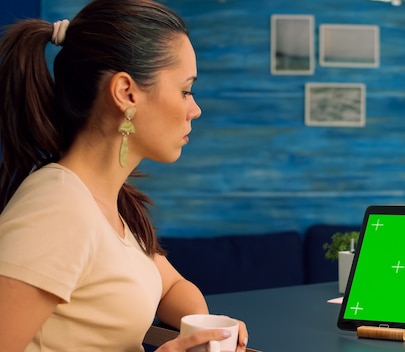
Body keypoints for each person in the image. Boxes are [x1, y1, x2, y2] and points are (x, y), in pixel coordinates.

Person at [0, 0, 248, 351]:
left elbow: (172, 287)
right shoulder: (57, 209)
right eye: (185, 90)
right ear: (126, 93)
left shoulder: (109, 203)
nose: (195, 109)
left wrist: (203, 329)